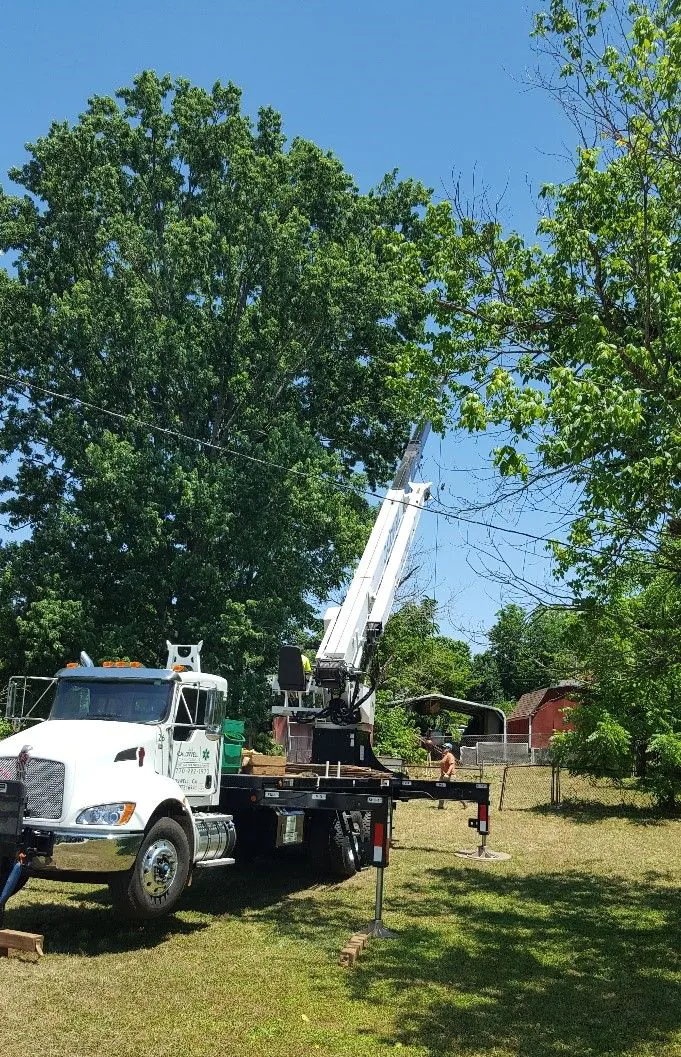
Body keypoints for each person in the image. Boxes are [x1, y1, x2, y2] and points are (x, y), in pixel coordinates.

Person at [438, 742, 457, 809]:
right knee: (441, 789)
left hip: (451, 776)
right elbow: (442, 765)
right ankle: (440, 806)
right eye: (442, 747)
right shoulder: (444, 755)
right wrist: (442, 774)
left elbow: (452, 765)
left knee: (454, 791)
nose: (442, 749)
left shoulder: (450, 755)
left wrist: (447, 773)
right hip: (444, 775)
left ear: (448, 749)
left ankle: (464, 803)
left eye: (444, 748)